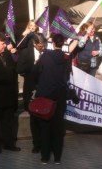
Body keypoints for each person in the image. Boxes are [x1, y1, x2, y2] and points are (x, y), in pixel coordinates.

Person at [32, 33, 70, 165]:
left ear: (52, 43)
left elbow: (35, 73)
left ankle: (45, 157)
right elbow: (67, 77)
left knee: (45, 127)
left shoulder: (45, 56)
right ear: (63, 43)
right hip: (59, 97)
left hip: (45, 96)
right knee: (58, 128)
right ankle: (58, 157)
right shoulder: (66, 58)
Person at [17, 33, 47, 153]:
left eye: (44, 45)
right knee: (34, 119)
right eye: (40, 46)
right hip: (31, 89)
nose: (42, 47)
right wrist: (33, 68)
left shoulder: (47, 53)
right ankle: (36, 144)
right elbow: (19, 69)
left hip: (44, 89)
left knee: (44, 119)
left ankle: (45, 142)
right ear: (34, 44)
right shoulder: (25, 53)